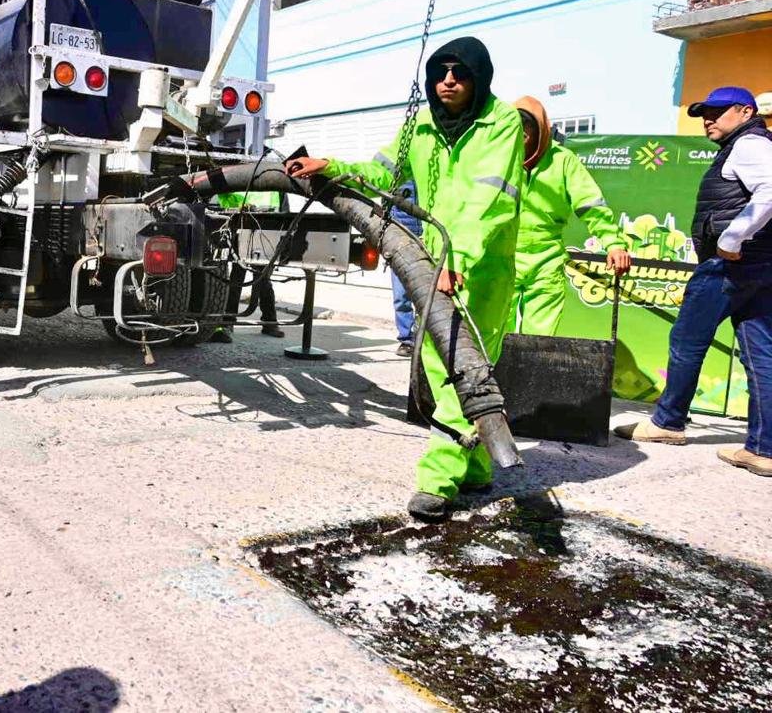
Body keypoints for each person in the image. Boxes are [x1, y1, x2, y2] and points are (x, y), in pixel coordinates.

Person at [287, 36, 524, 521]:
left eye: (459, 73)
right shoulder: (420, 125)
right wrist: (331, 166)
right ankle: (474, 467)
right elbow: (382, 171)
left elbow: (491, 200)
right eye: (440, 72)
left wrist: (458, 256)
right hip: (434, 264)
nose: (448, 81)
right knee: (448, 364)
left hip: (481, 267)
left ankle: (437, 479)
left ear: (480, 77)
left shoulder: (500, 123)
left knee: (461, 368)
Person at [616, 87, 772, 477]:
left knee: (687, 340)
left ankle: (667, 423)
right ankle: (763, 448)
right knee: (760, 355)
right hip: (760, 267)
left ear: (746, 111)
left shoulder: (749, 144)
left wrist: (732, 238)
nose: (708, 119)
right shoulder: (749, 144)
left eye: (718, 112)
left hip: (729, 267)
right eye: (704, 112)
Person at [510, 96, 631, 335]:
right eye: (516, 121)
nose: (523, 129)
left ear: (542, 127)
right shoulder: (497, 157)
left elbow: (591, 205)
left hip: (546, 262)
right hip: (502, 259)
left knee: (539, 342)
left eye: (528, 123)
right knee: (492, 339)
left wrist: (614, 245)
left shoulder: (563, 161)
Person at [211, 190, 284, 342]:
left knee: (261, 279)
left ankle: (268, 322)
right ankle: (228, 323)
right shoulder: (251, 177)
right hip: (243, 226)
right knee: (239, 279)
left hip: (263, 227)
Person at [389, 181, 423, 357]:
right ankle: (406, 339)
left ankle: (425, 338)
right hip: (401, 240)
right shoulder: (400, 174)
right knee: (401, 296)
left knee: (426, 295)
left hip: (427, 239)